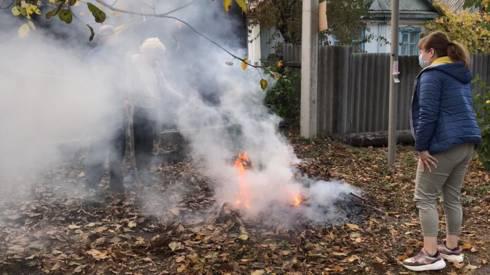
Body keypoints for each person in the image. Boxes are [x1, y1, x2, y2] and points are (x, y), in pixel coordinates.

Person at [402, 31, 481, 272]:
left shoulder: (433, 75)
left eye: (421, 50)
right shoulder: (459, 73)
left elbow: (427, 114)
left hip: (444, 144)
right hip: (467, 143)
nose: (420, 55)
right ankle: (452, 248)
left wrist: (422, 147)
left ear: (431, 53)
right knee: (452, 196)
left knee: (424, 197)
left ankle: (430, 254)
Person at [85, 37, 165, 194]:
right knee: (99, 148)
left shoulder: (126, 63)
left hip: (120, 112)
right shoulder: (108, 60)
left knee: (118, 149)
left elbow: (127, 86)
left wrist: (126, 99)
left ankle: (116, 185)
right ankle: (91, 187)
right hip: (103, 110)